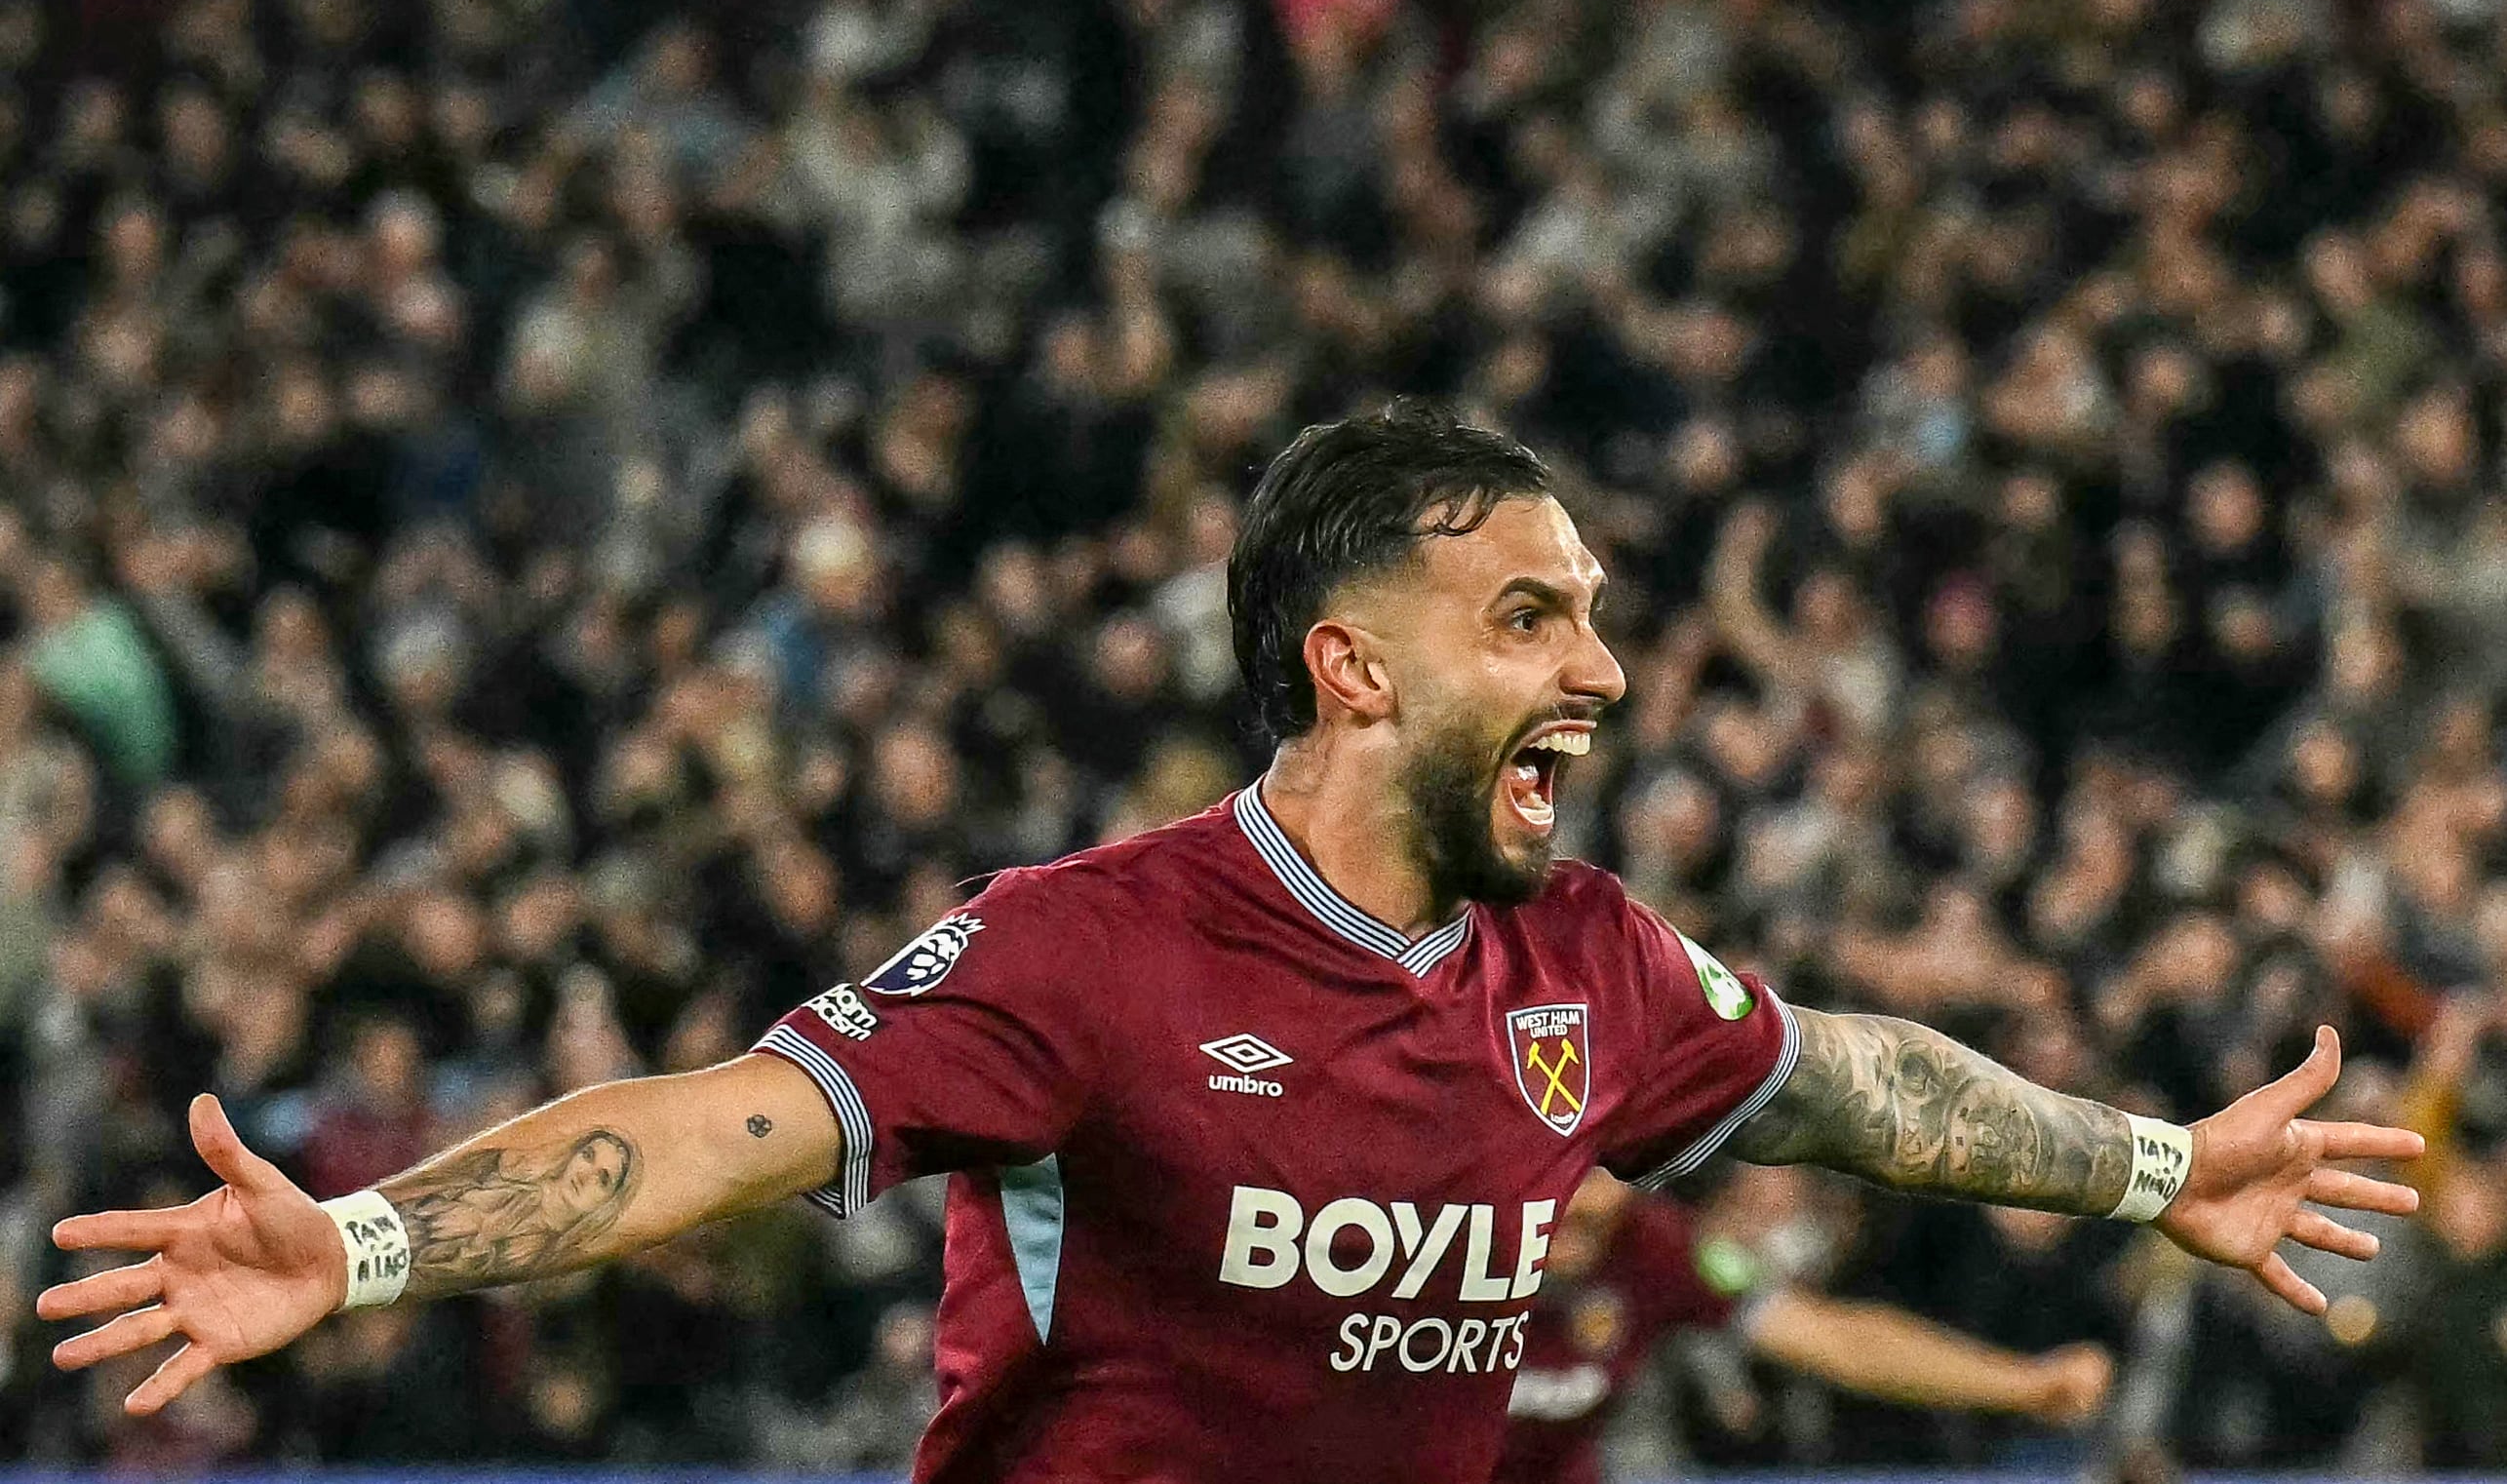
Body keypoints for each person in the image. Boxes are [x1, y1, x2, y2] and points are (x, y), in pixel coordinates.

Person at [34, 406, 2423, 1483]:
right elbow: (714, 1128)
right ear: (1352, 664)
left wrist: (2143, 1163)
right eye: (1529, 610)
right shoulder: (1080, 948)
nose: (1597, 665)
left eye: (1593, 611)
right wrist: (355, 1241)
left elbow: (1849, 1080)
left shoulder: (1584, 957)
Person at [1496, 1170, 2112, 1484]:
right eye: (1550, 1176)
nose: (1575, 1203)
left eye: (1601, 1176)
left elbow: (1833, 1338)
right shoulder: (1412, 1240)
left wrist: (2026, 1384)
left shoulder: (1658, 1246)